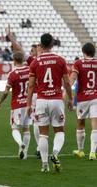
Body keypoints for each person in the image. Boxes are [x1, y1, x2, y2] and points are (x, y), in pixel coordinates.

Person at [26, 33, 73, 172]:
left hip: (41, 100)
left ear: (41, 44)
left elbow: (30, 85)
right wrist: (70, 98)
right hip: (56, 100)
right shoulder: (60, 60)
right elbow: (67, 82)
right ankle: (55, 153)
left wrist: (28, 104)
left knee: (43, 134)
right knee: (59, 131)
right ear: (52, 44)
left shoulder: (35, 62)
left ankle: (44, 164)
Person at [5, 26, 41, 158]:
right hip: (43, 94)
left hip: (35, 95)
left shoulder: (33, 61)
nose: (31, 52)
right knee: (37, 123)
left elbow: (19, 50)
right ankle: (38, 148)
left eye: (33, 50)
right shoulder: (47, 60)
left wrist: (10, 37)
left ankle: (37, 148)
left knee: (35, 122)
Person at [0, 51, 31, 159]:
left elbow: (6, 92)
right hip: (28, 103)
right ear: (23, 59)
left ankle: (20, 143)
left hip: (17, 105)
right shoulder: (29, 70)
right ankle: (24, 154)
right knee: (26, 128)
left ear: (14, 60)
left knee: (15, 128)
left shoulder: (13, 74)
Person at [69, 43, 97, 160]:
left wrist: (68, 92)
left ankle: (80, 151)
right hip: (95, 97)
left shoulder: (78, 63)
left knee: (80, 123)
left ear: (83, 52)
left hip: (82, 99)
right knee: (95, 125)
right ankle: (92, 152)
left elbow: (73, 78)